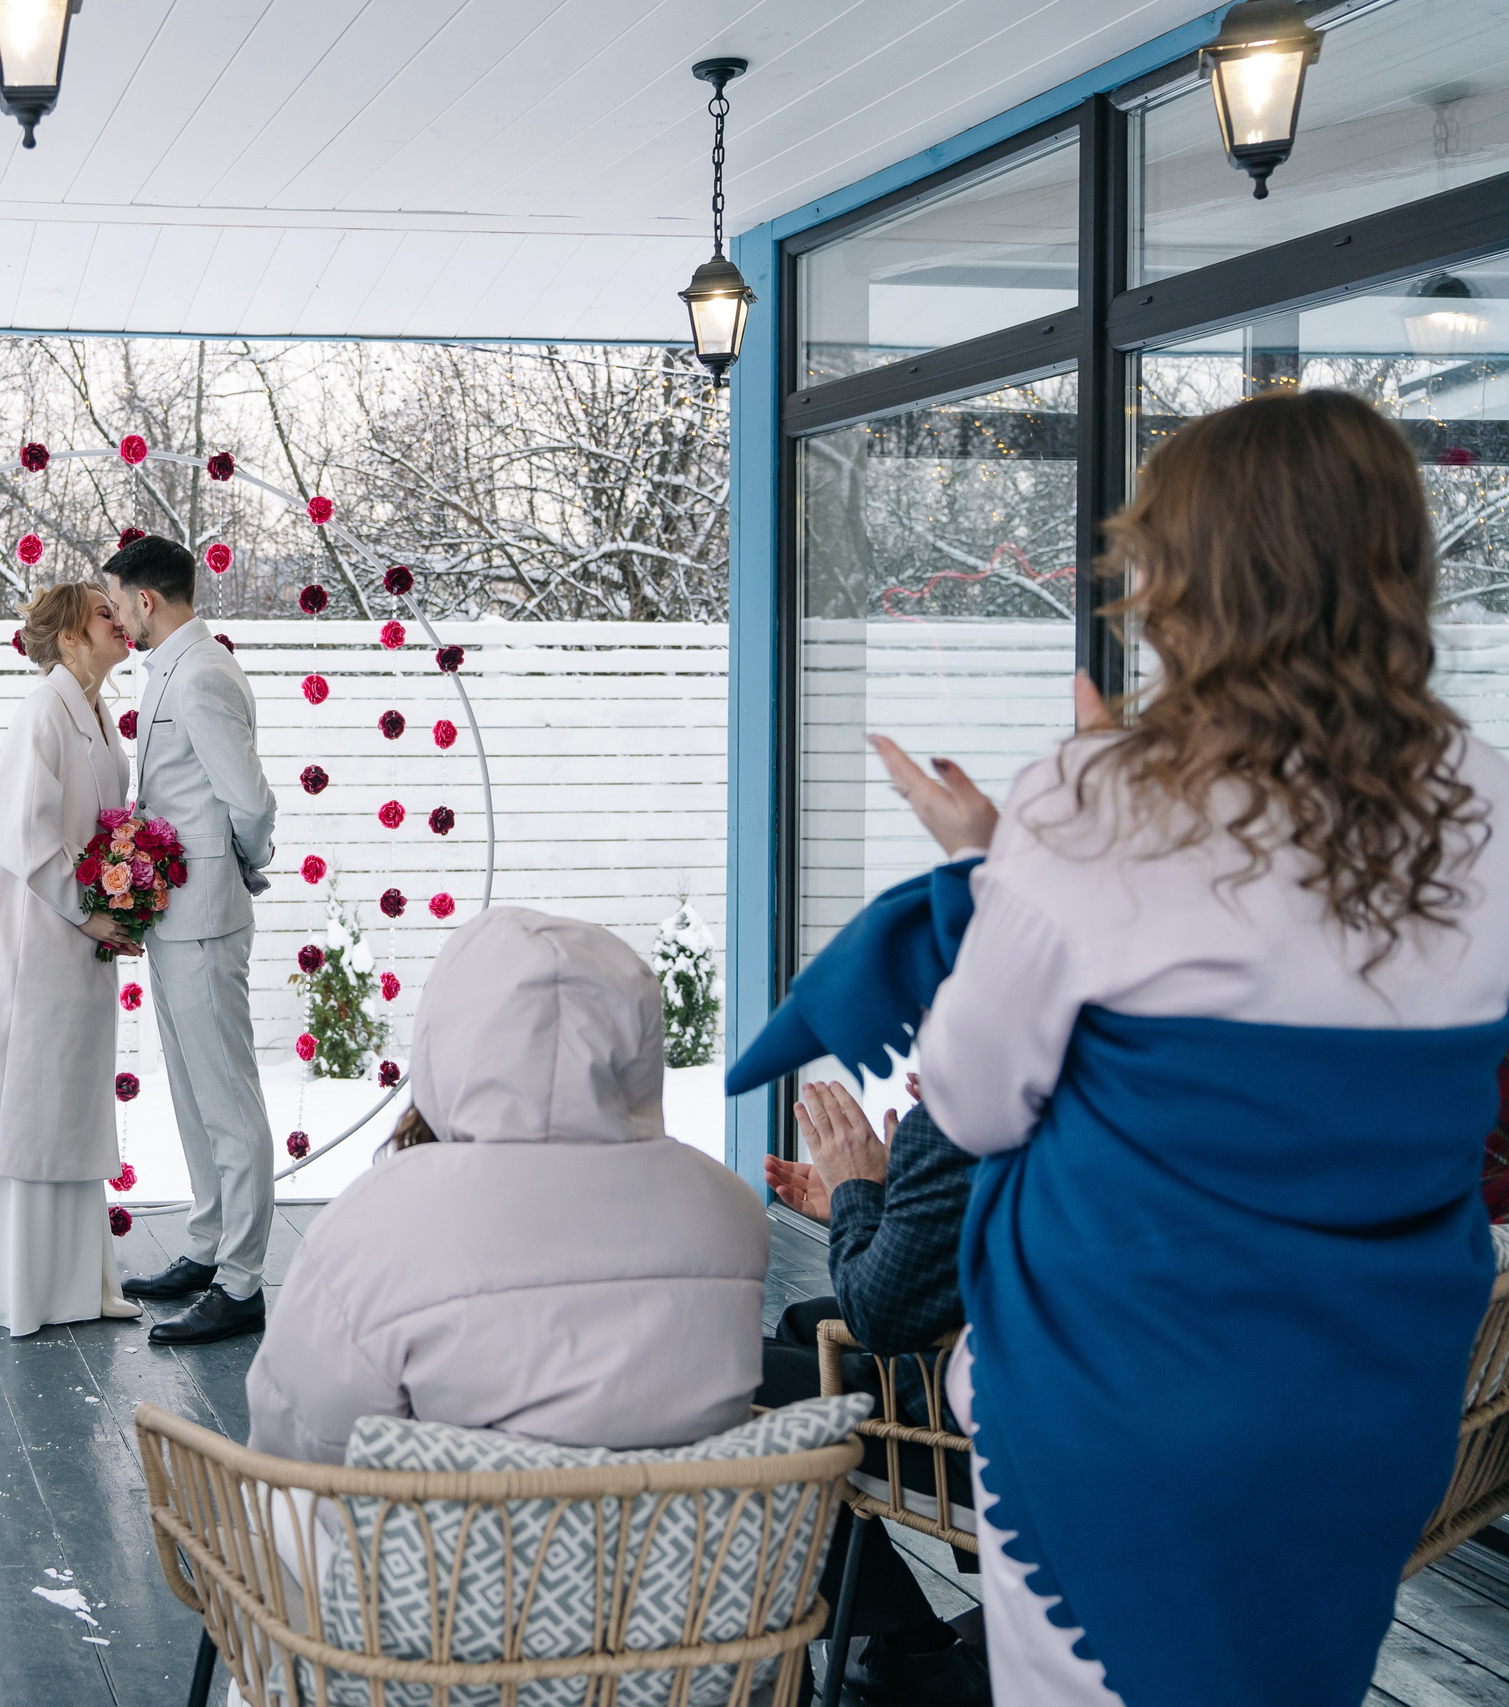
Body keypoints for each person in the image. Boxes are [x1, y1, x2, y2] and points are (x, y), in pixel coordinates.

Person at [876, 390, 1509, 1707]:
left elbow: (977, 1099)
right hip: (1369, 1396)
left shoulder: (1098, 801)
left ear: (1188, 582)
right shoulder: (1492, 807)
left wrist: (1010, 858)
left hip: (1121, 1394)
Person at [247, 907, 765, 1462]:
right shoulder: (730, 1210)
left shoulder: (373, 1224)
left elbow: (300, 1445)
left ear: (447, 1038)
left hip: (439, 1548)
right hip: (694, 1544)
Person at [0, 583, 146, 1335]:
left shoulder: (98, 714)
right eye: (101, 612)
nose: (119, 619)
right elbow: (24, 834)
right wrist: (95, 912)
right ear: (66, 637)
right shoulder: (41, 712)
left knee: (67, 1106)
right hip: (40, 941)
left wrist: (126, 897)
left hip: (79, 940)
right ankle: (17, 1290)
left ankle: (73, 1285)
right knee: (28, 1108)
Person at [103, 535, 281, 1346]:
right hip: (175, 913)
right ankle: (209, 1247)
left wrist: (240, 864)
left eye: (117, 597)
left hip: (205, 911)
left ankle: (242, 1280)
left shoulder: (204, 673)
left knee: (227, 1098)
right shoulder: (172, 667)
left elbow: (249, 798)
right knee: (189, 1091)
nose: (114, 612)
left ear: (147, 599)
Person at [763, 1075, 987, 1707]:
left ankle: (917, 1658)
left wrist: (862, 1194)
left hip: (999, 1435)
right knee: (803, 1325)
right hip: (1052, 1365)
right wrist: (898, 1215)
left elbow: (882, 1313)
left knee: (750, 1393)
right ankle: (903, 1648)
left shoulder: (973, 1111)